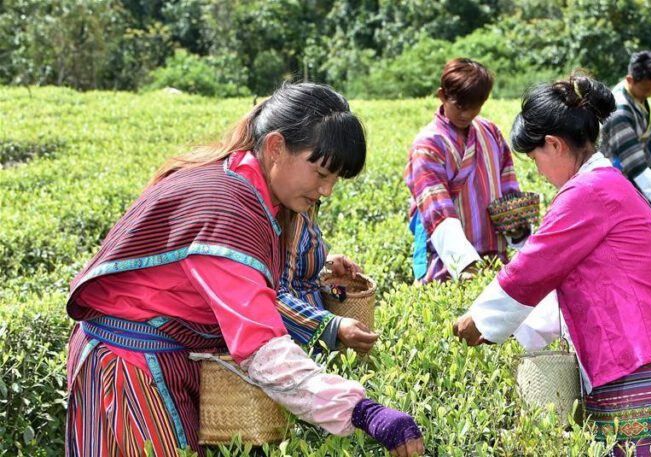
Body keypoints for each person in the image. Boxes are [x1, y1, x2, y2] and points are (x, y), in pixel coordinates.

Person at [64, 83, 424, 457]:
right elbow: (261, 347)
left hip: (161, 357)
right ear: (276, 147)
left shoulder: (242, 183)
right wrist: (363, 411)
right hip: (130, 367)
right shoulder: (226, 210)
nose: (327, 191)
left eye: (335, 179)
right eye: (320, 173)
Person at [454, 75, 651, 456]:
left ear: (554, 144)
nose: (539, 171)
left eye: (535, 158)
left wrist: (478, 320)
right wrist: (510, 332)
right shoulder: (609, 185)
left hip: (641, 368)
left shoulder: (586, 192)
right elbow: (572, 286)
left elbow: (532, 267)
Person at [404, 58, 528, 283]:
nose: (467, 114)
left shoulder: (490, 131)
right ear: (442, 95)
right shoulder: (428, 144)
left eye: (475, 107)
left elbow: (508, 184)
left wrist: (518, 229)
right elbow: (436, 208)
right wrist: (465, 264)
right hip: (448, 262)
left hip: (494, 257)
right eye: (460, 106)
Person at [276, 207, 378, 353]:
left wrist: (327, 262)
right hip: (303, 338)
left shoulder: (308, 208)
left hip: (319, 301)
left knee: (344, 294)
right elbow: (275, 294)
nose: (327, 194)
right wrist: (333, 326)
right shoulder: (295, 215)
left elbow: (300, 266)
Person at [600, 50, 651, 215]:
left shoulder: (634, 95)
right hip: (620, 181)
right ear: (630, 80)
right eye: (646, 89)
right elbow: (634, 165)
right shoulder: (619, 112)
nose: (650, 94)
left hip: (635, 178)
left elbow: (639, 135)